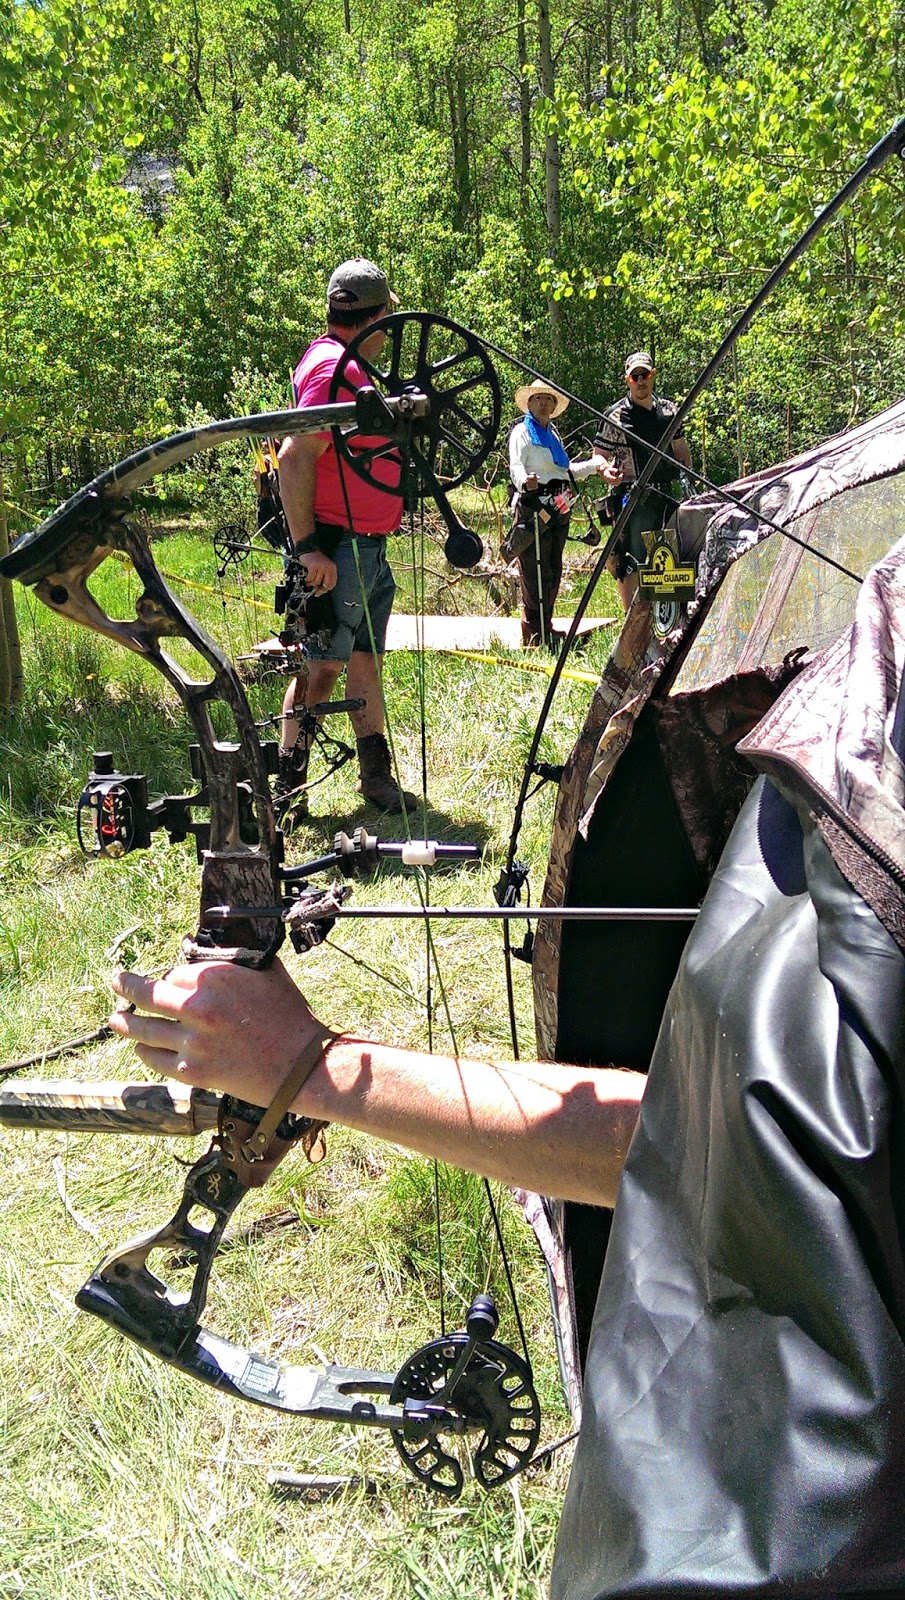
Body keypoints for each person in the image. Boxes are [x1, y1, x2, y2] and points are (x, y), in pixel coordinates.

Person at [275, 257, 417, 822]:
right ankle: (287, 785)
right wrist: (308, 547)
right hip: (334, 545)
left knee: (361, 657)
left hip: (367, 545)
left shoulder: (345, 364)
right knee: (320, 667)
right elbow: (293, 456)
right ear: (380, 315)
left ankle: (376, 778)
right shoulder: (333, 369)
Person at [507, 380, 615, 647]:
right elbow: (516, 466)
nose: (543, 403)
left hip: (559, 507)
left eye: (548, 399)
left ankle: (546, 628)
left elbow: (563, 472)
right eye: (538, 399)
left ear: (554, 406)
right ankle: (533, 632)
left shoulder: (552, 436)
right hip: (534, 506)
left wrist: (594, 466)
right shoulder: (522, 432)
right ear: (529, 404)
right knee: (534, 569)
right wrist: (525, 481)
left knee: (553, 567)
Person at [595, 350, 693, 612]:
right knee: (629, 561)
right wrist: (606, 472)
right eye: (635, 376)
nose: (641, 381)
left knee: (668, 561)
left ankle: (667, 623)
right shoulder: (614, 415)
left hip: (667, 496)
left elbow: (682, 453)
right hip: (632, 497)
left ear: (653, 376)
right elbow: (599, 456)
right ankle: (633, 623)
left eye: (645, 375)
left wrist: (688, 481)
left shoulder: (670, 410)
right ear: (627, 379)